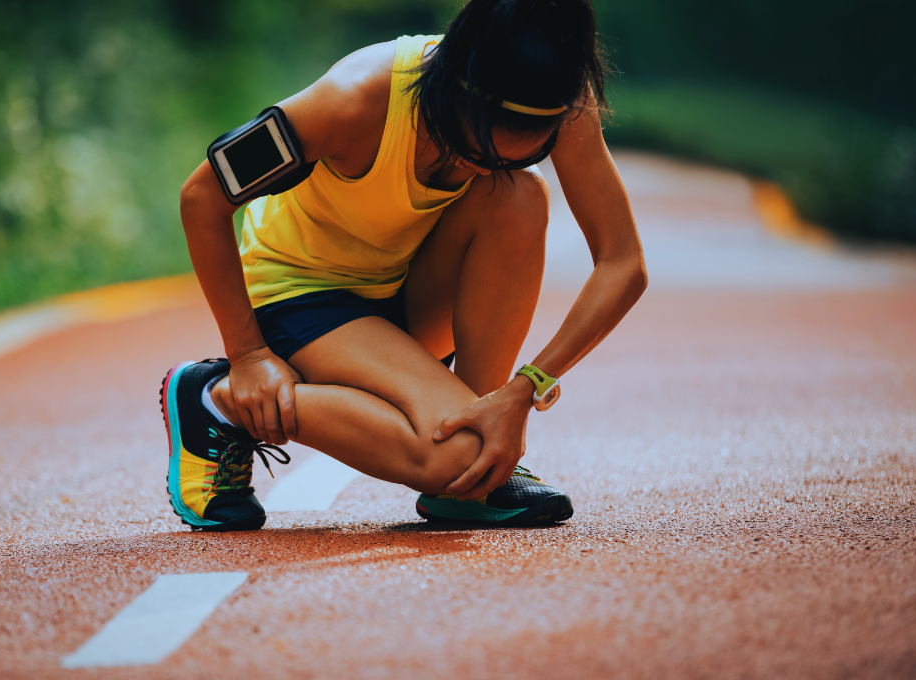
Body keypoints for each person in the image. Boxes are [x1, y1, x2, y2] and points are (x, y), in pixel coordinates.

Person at [161, 0, 646, 531]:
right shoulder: (352, 100)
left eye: (508, 156)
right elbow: (201, 197)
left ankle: (473, 464)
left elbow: (622, 263)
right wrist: (249, 353)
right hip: (298, 294)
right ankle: (218, 400)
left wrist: (519, 393)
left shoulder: (553, 96)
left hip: (400, 292)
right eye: (471, 148)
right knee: (460, 455)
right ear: (454, 86)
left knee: (519, 196)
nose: (476, 169)